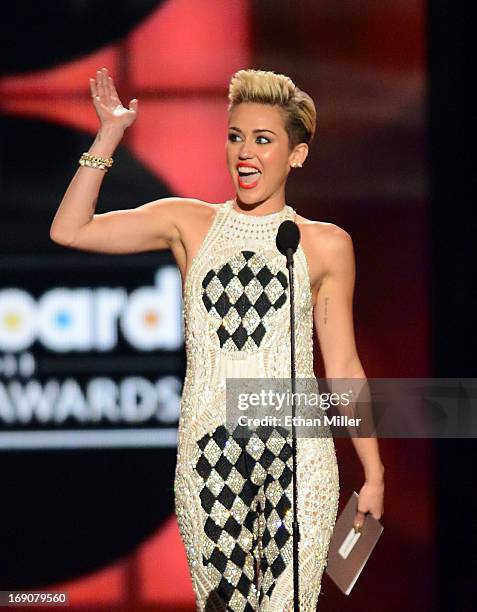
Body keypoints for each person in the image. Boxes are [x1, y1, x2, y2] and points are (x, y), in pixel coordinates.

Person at [50, 67, 384, 611]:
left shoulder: (325, 246)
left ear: (296, 154)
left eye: (263, 139)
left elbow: (343, 364)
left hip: (298, 459)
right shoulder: (189, 222)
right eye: (235, 137)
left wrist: (373, 472)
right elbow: (70, 230)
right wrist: (108, 136)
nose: (244, 153)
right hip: (210, 457)